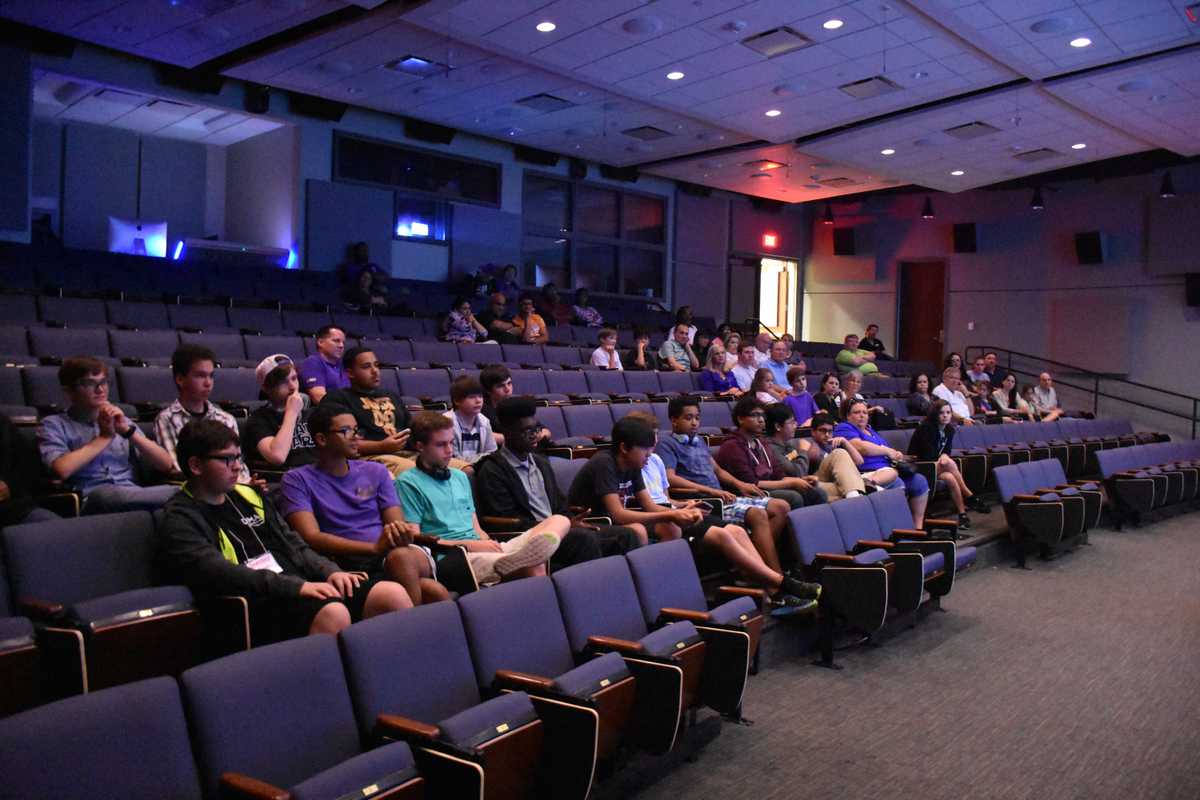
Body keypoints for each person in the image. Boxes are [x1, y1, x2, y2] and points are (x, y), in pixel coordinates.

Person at [159, 419, 412, 644]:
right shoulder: (181, 516)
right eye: (226, 459)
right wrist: (297, 587)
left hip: (297, 585)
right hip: (255, 599)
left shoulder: (247, 495)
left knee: (391, 595)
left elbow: (295, 544)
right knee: (333, 612)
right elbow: (219, 572)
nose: (236, 467)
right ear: (195, 465)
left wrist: (330, 571)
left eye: (238, 458)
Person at [571, 414, 819, 609]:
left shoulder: (635, 463)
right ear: (625, 447)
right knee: (674, 526)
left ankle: (775, 588)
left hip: (636, 519)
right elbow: (619, 515)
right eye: (645, 450)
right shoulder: (605, 463)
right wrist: (670, 514)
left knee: (734, 530)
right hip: (597, 524)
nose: (649, 456)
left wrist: (680, 507)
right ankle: (782, 585)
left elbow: (650, 505)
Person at [278, 404, 447, 608]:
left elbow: (395, 525)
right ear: (322, 439)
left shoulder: (376, 471)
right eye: (346, 431)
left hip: (392, 556)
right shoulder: (297, 479)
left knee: (401, 558)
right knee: (431, 590)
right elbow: (311, 537)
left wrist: (398, 534)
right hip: (346, 561)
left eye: (356, 430)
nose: (356, 436)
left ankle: (409, 633)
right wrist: (373, 548)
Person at [396, 413, 565, 586]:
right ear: (420, 446)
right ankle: (521, 559)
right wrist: (469, 545)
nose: (449, 451)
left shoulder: (460, 477)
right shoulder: (407, 483)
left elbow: (476, 527)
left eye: (451, 443)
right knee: (534, 568)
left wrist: (488, 543)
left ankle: (519, 557)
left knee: (560, 520)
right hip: (455, 556)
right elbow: (416, 538)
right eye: (441, 445)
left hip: (485, 548)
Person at [474, 398, 642, 568]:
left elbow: (560, 505)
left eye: (536, 429)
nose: (535, 435)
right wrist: (560, 526)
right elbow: (507, 520)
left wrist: (570, 521)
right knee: (584, 540)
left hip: (560, 530)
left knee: (627, 535)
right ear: (508, 433)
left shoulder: (541, 463)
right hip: (531, 537)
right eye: (526, 431)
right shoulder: (493, 469)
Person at [656, 398, 797, 575]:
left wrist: (740, 484)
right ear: (674, 420)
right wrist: (712, 490)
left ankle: (749, 567)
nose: (694, 423)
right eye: (688, 418)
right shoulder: (666, 443)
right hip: (707, 501)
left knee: (781, 506)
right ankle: (777, 576)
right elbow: (671, 478)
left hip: (722, 496)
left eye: (697, 418)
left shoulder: (698, 441)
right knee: (758, 514)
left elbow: (718, 470)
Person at [37, 357, 177, 515]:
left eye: (103, 382)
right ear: (69, 391)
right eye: (89, 383)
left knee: (179, 492)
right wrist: (104, 437)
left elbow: (165, 464)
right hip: (91, 498)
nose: (100, 390)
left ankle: (178, 496)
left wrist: (128, 432)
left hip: (133, 494)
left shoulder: (121, 420)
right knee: (110, 494)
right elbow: (62, 469)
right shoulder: (53, 425)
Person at [155, 345, 250, 482]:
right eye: (200, 376)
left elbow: (238, 465)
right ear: (180, 379)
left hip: (238, 488)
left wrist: (248, 485)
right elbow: (179, 468)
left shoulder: (226, 419)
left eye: (211, 376)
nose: (208, 383)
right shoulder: (166, 419)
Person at [715, 396, 827, 510]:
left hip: (768, 487)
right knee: (794, 497)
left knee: (817, 493)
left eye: (763, 416)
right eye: (755, 415)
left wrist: (800, 480)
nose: (761, 420)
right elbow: (752, 483)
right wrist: (791, 483)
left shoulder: (761, 443)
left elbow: (778, 475)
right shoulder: (732, 446)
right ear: (740, 419)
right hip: (748, 493)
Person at [321, 347, 416, 477]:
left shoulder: (391, 395)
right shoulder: (338, 399)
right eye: (366, 367)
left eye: (376, 365)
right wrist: (381, 446)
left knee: (451, 465)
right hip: (369, 457)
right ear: (350, 373)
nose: (375, 371)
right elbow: (339, 441)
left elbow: (410, 428)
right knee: (413, 471)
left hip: (406, 454)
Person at [835, 399, 929, 527]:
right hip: (866, 471)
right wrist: (887, 450)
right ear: (848, 415)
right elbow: (861, 447)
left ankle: (918, 528)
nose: (862, 415)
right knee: (897, 481)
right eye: (857, 412)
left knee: (919, 481)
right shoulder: (845, 427)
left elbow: (887, 451)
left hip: (887, 468)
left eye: (864, 412)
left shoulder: (870, 430)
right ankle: (896, 527)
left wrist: (896, 455)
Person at [907, 399, 989, 528]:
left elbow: (946, 451)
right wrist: (943, 458)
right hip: (922, 466)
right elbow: (927, 454)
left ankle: (962, 514)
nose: (945, 415)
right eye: (941, 413)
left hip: (936, 466)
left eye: (948, 412)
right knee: (950, 464)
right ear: (935, 414)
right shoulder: (926, 428)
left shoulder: (949, 429)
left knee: (950, 478)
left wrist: (944, 455)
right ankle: (969, 495)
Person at [243, 355, 317, 472]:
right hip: (287, 480)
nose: (293, 387)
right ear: (266, 388)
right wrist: (291, 412)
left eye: (294, 378)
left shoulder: (312, 414)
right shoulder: (259, 420)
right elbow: (277, 456)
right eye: (283, 382)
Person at [792, 411, 869, 500]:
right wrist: (809, 451)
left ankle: (853, 494)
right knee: (839, 453)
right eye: (823, 431)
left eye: (830, 431)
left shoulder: (832, 445)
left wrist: (845, 442)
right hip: (815, 481)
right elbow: (809, 458)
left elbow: (859, 461)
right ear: (813, 432)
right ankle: (857, 494)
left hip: (832, 484)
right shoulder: (807, 443)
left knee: (848, 487)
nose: (827, 435)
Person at [1, 412, 57, 525]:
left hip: (12, 507)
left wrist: (9, 486)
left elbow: (28, 468)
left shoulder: (3, 424)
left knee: (56, 530)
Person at [442, 375, 497, 468]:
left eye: (480, 396)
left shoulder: (484, 421)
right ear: (457, 401)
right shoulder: (446, 422)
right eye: (472, 397)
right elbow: (452, 457)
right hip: (454, 468)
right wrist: (481, 459)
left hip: (479, 467)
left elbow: (492, 452)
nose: (478, 401)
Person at [297, 326, 349, 405]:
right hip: (329, 413)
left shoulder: (344, 364)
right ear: (320, 342)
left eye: (343, 342)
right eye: (336, 341)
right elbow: (319, 397)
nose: (341, 345)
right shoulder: (312, 363)